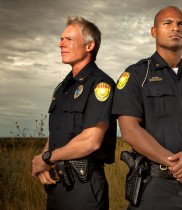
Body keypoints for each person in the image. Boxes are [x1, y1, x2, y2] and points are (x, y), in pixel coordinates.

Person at [112, 6, 182, 210]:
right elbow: (129, 131)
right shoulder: (137, 75)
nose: (176, 28)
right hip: (154, 188)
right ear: (154, 31)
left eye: (181, 24)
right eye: (167, 23)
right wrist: (176, 165)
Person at [31, 16, 117, 210]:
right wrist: (45, 158)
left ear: (89, 46)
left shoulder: (100, 85)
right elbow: (56, 131)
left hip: (84, 187)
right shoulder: (63, 88)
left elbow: (91, 140)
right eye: (61, 39)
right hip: (57, 184)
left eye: (68, 39)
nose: (61, 44)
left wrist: (46, 158)